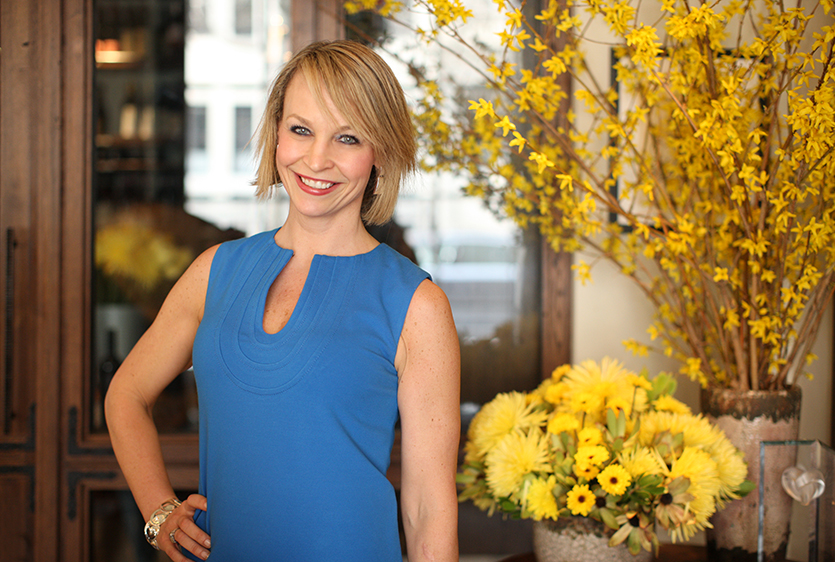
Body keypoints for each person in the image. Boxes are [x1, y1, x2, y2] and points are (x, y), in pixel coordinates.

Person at [105, 40, 461, 561]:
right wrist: (159, 512)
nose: (317, 159)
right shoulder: (214, 271)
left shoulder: (416, 305)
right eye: (301, 130)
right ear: (276, 133)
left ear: (379, 151)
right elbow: (126, 395)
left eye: (347, 137)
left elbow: (428, 508)